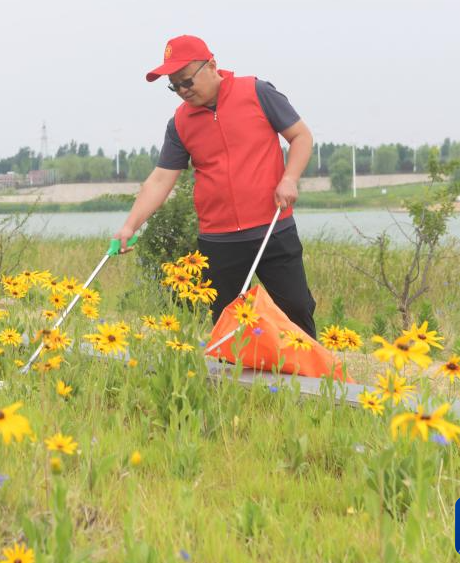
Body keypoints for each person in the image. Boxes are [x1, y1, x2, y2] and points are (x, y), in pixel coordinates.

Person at [112, 35, 317, 337]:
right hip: (219, 241)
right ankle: (237, 383)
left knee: (296, 310)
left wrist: (289, 178)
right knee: (227, 325)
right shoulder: (180, 122)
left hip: (273, 229)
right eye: (174, 86)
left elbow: (301, 137)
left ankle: (308, 379)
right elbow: (160, 180)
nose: (182, 91)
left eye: (187, 81)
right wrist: (130, 226)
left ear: (211, 65)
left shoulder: (257, 92)